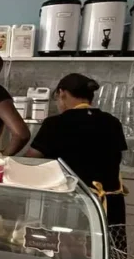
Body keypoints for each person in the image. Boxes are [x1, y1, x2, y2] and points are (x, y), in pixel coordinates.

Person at [27, 73, 128, 232]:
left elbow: (31, 159)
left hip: (73, 205)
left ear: (62, 93)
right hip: (110, 205)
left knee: (70, 245)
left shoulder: (55, 124)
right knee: (107, 246)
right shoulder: (112, 122)